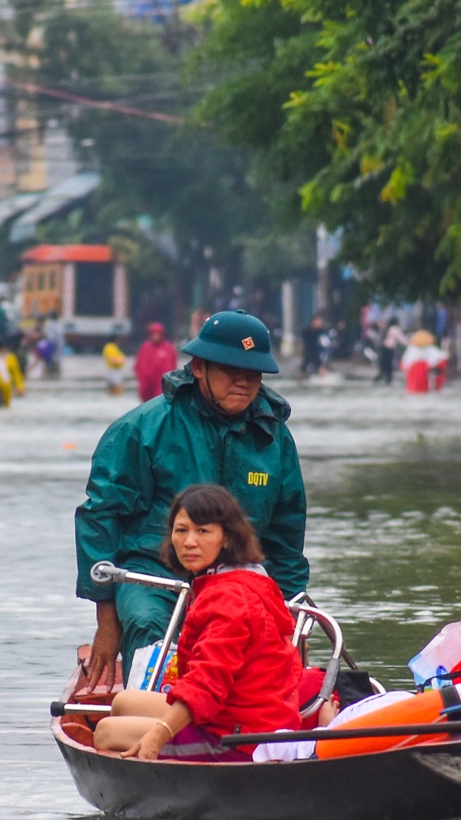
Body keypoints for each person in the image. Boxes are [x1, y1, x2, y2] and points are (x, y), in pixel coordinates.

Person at [76, 310, 310, 688]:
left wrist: (289, 616)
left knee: (279, 657)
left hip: (241, 582)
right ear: (199, 367)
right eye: (231, 369)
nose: (244, 381)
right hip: (155, 577)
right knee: (148, 622)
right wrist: (106, 623)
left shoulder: (274, 439)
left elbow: (286, 538)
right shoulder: (142, 429)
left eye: (254, 373)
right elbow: (100, 517)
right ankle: (153, 718)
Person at [92, 485, 300, 762]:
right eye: (181, 531)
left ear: (226, 538)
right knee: (123, 701)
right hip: (239, 715)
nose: (190, 542)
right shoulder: (241, 579)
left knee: (106, 732)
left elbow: (206, 684)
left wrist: (159, 734)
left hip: (242, 738)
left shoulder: (228, 598)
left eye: (203, 531)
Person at [133, 322, 176, 401]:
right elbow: (139, 366)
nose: (156, 336)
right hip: (147, 385)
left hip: (161, 384)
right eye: (154, 333)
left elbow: (172, 365)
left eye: (158, 333)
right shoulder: (145, 347)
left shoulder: (168, 348)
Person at [0, 336, 26, 407]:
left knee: (5, 406)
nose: (3, 350)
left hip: (7, 386)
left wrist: (20, 387)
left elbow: (16, 373)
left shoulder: (12, 358)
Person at [379, 319, 407, 386]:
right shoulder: (395, 329)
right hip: (389, 348)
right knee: (389, 364)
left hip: (383, 348)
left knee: (385, 364)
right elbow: (401, 338)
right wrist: (409, 343)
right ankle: (388, 378)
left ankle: (384, 377)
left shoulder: (388, 328)